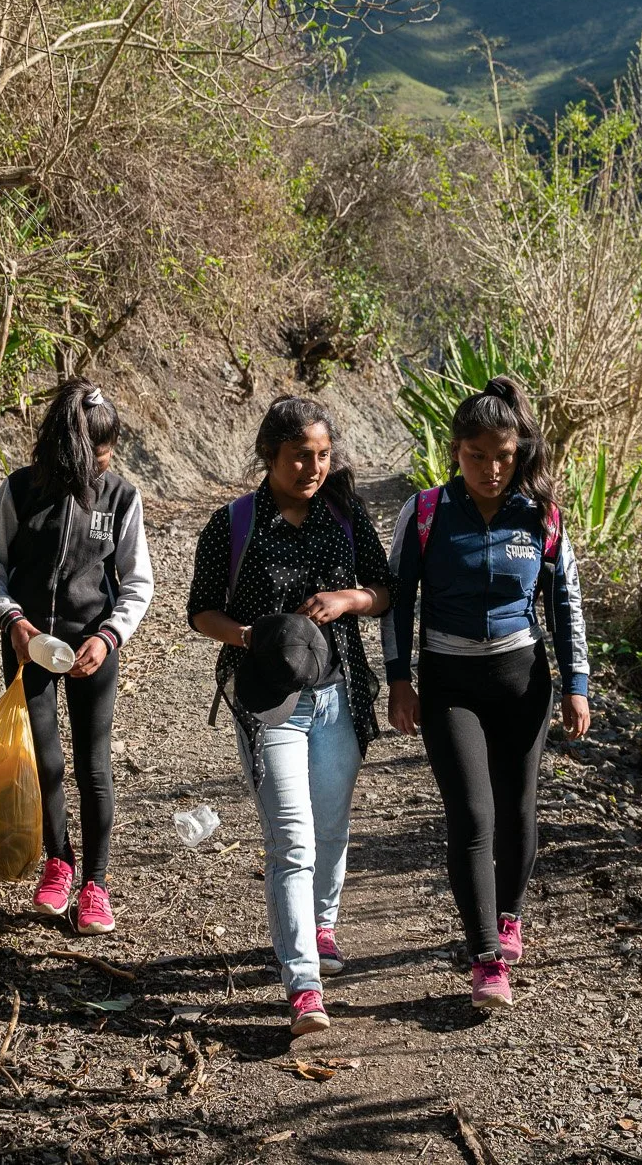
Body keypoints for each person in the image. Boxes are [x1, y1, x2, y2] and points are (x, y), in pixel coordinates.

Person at [383, 376, 591, 1011]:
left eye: (504, 456)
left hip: (523, 681)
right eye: (477, 456)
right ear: (455, 450)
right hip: (449, 686)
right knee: (473, 816)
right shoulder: (424, 514)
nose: (492, 469)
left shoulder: (543, 517)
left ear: (518, 452)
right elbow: (398, 601)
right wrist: (399, 679)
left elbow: (565, 604)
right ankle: (484, 958)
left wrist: (576, 686)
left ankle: (510, 914)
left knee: (518, 810)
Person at [187, 396, 390, 1037]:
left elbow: (384, 592)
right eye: (301, 455)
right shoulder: (232, 525)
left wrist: (347, 597)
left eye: (324, 455)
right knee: (293, 840)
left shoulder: (346, 514)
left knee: (330, 828)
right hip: (269, 702)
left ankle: (322, 926)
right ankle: (303, 983)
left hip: (340, 697)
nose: (313, 467)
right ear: (269, 456)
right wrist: (252, 638)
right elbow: (201, 611)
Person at [0, 380, 153, 934]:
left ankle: (95, 884)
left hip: (94, 652)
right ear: (66, 448)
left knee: (94, 768)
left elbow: (138, 582)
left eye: (109, 450)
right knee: (46, 761)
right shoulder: (20, 492)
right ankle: (58, 863)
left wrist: (109, 637)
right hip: (30, 650)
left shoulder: (120, 497)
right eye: (96, 453)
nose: (106, 461)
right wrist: (14, 623)